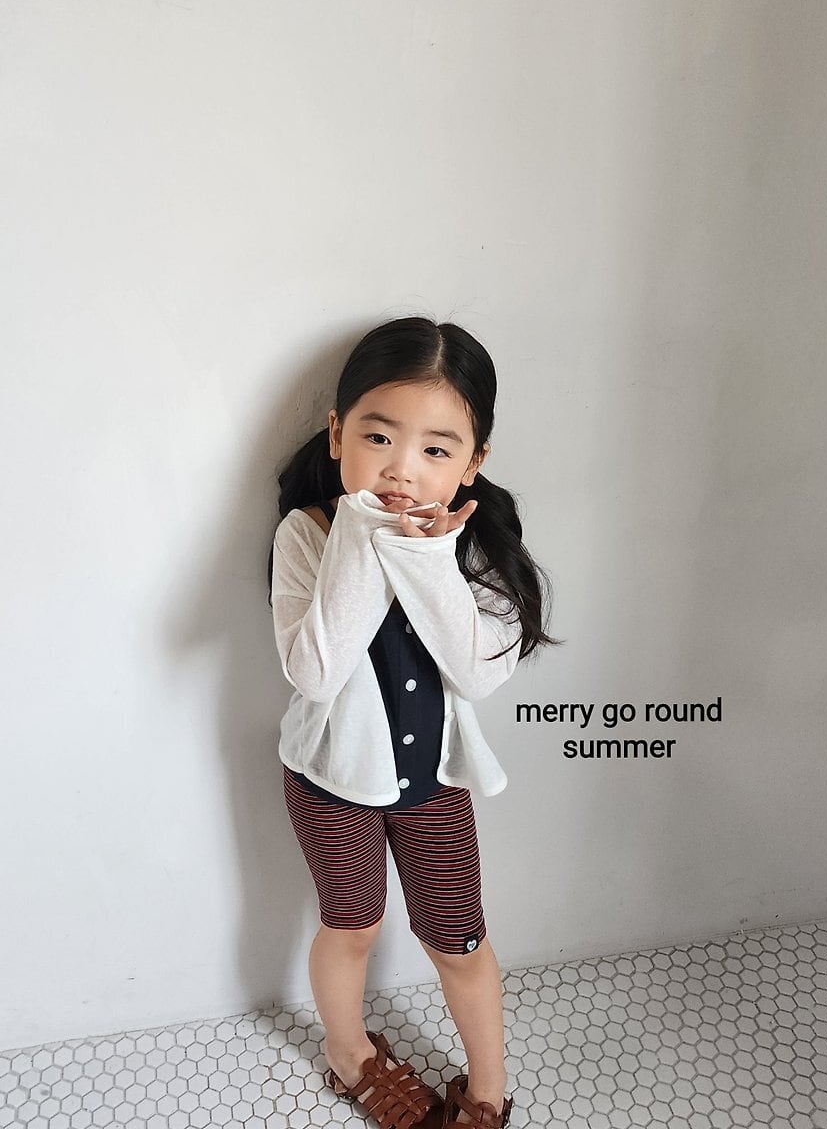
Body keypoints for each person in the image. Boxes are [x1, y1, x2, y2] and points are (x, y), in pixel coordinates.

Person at [267, 316, 560, 1129]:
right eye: (379, 437)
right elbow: (315, 671)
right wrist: (365, 535)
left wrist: (426, 556)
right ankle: (351, 1056)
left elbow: (475, 671)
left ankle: (488, 1093)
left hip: (433, 786)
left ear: (472, 462)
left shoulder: (474, 545)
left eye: (436, 448)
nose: (402, 467)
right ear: (338, 435)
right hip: (330, 784)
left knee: (458, 939)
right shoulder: (308, 534)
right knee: (352, 926)